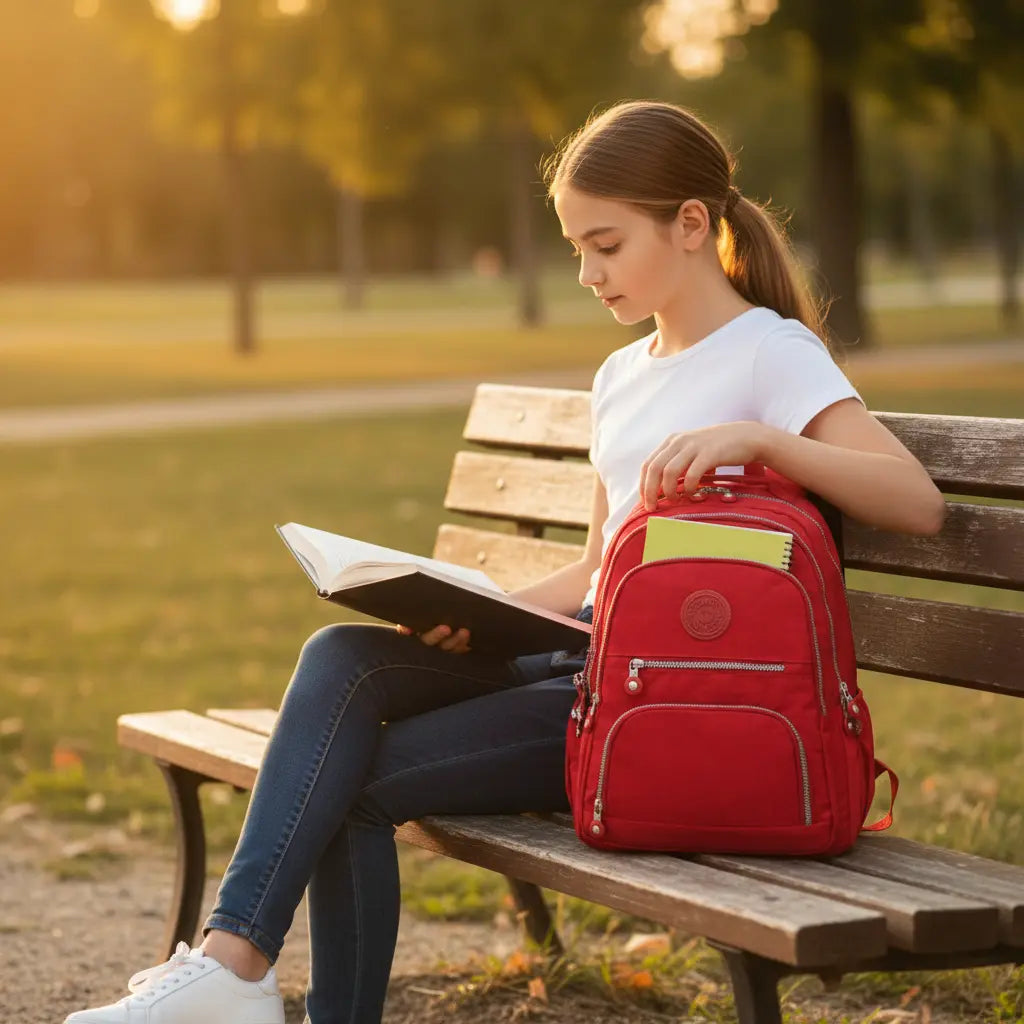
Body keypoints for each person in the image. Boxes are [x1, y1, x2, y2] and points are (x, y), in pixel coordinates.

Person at [65, 99, 945, 1024]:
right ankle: (232, 969)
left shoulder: (769, 352)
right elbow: (597, 567)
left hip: (650, 697)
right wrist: (470, 611)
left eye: (606, 245)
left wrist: (763, 440)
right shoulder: (621, 375)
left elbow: (916, 501)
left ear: (691, 224)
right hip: (580, 657)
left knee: (352, 782)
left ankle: (240, 978)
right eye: (576, 249)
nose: (587, 273)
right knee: (341, 656)